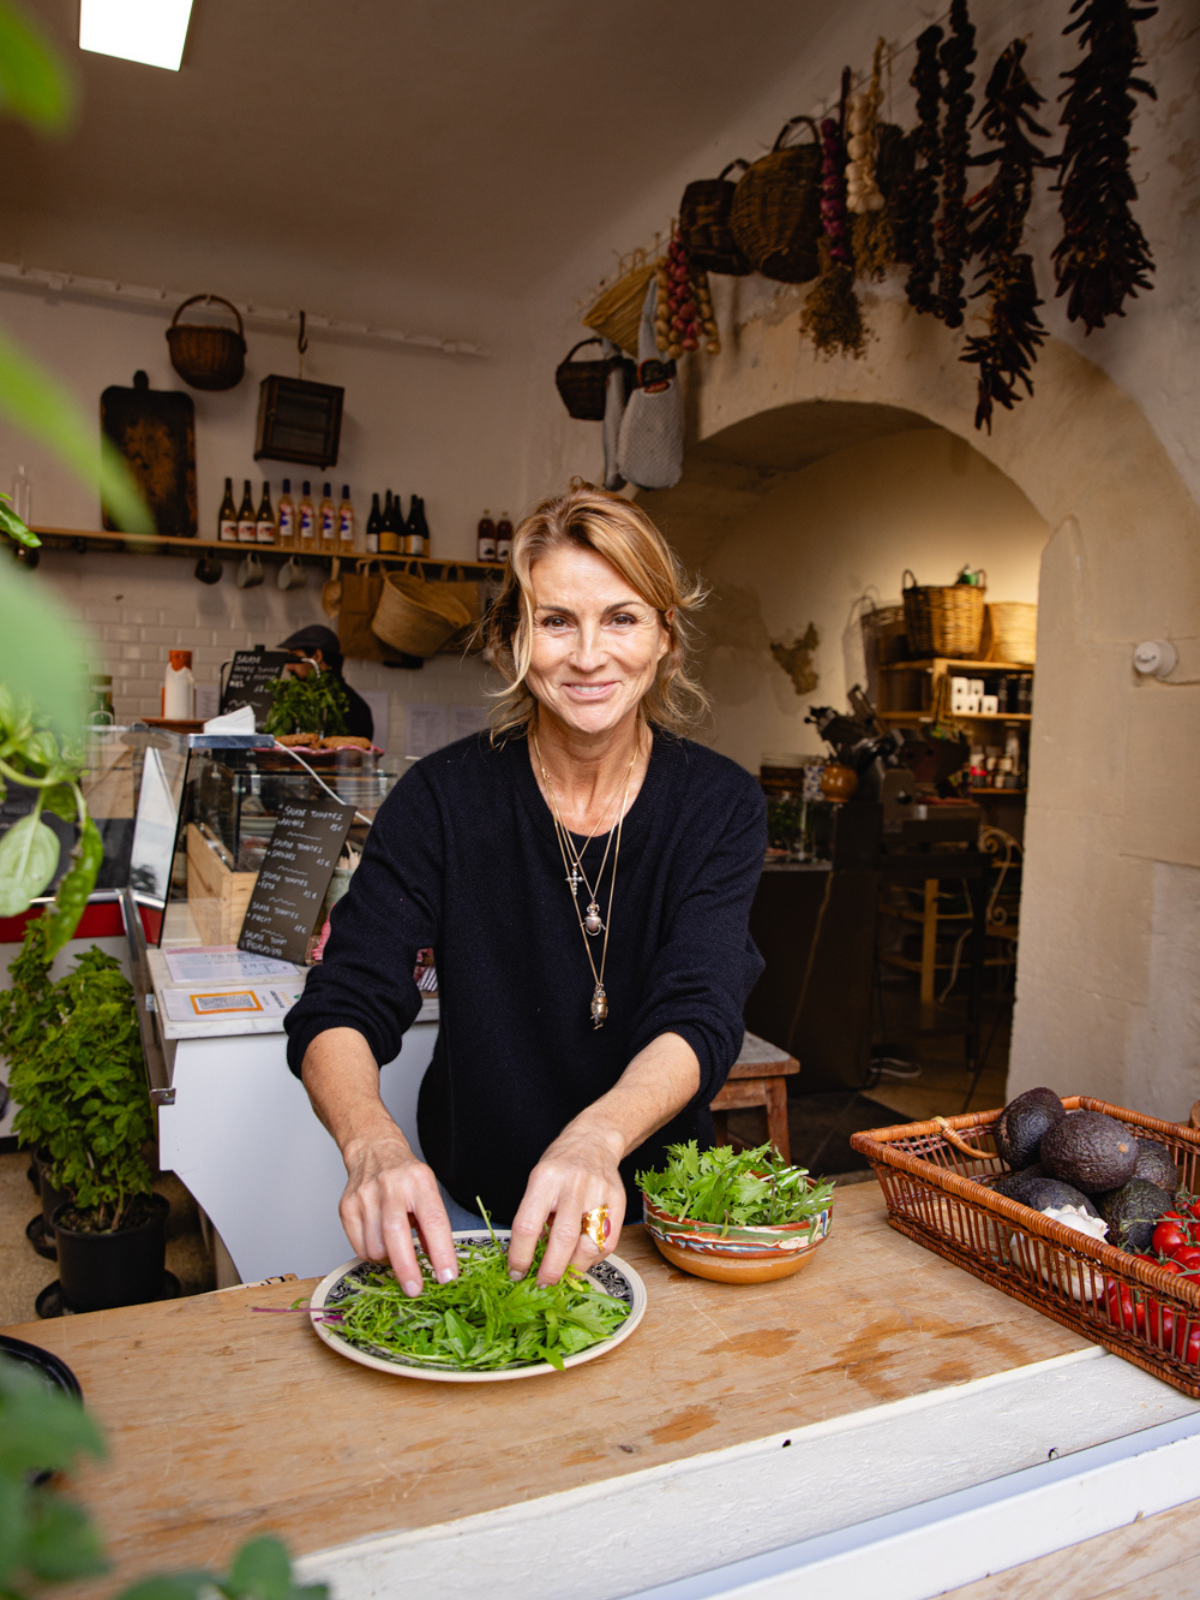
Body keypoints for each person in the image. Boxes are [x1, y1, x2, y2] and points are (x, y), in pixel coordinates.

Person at [285, 485, 765, 1297]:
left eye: (621, 618)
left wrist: (596, 1140)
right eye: (555, 622)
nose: (587, 656)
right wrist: (372, 1144)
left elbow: (703, 1007)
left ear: (664, 640)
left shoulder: (717, 805)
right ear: (515, 639)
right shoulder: (443, 800)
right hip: (472, 1216)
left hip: (661, 1217)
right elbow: (345, 997)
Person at [276, 624, 374, 742]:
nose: (289, 668)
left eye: (294, 659)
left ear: (317, 656)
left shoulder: (350, 709)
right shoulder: (360, 706)